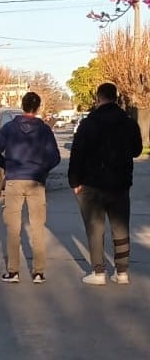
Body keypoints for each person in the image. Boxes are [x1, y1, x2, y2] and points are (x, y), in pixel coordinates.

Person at [68, 82, 142, 286]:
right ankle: (122, 272)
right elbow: (137, 150)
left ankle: (98, 272)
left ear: (98, 98)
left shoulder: (88, 124)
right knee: (120, 227)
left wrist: (74, 181)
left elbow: (77, 154)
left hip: (92, 184)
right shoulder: (128, 123)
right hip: (120, 183)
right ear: (116, 98)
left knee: (95, 229)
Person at [0, 92, 61, 284]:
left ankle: (13, 272)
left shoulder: (9, 128)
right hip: (36, 181)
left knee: (13, 228)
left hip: (14, 180)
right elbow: (55, 157)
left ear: (22, 105)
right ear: (38, 107)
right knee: (37, 227)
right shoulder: (44, 130)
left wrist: (8, 166)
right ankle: (38, 272)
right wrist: (41, 170)